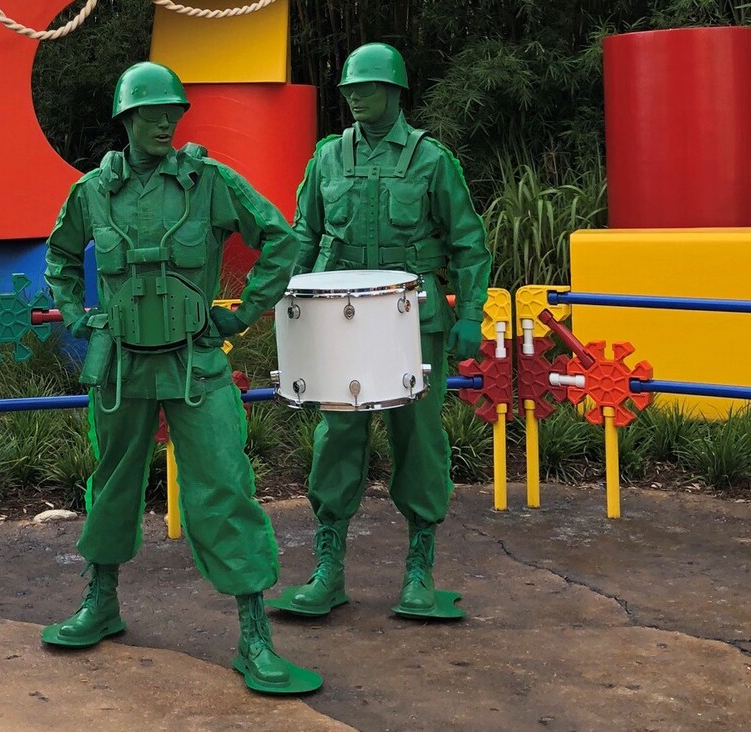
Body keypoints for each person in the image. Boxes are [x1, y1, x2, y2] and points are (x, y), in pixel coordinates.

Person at [42, 61, 321, 695]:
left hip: (196, 362)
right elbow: (60, 255)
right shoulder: (93, 192)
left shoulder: (209, 182)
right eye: (150, 113)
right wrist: (77, 316)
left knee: (224, 485)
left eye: (171, 113)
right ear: (126, 119)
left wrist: (243, 313)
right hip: (122, 367)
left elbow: (278, 237)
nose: (163, 122)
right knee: (113, 484)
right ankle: (101, 601)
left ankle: (254, 636)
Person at [271, 43, 491, 620]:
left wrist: (472, 313)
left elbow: (468, 243)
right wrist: (287, 308)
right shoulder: (327, 159)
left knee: (418, 438)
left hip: (412, 321)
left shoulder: (431, 160)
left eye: (365, 87)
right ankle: (328, 569)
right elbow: (303, 235)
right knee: (337, 438)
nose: (354, 97)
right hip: (337, 323)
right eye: (349, 89)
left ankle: (420, 569)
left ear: (395, 92)